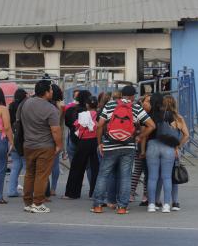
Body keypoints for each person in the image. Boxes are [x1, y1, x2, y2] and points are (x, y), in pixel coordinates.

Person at [92, 85, 155, 214]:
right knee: (126, 177)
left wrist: (99, 143)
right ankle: (122, 207)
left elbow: (99, 125)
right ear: (132, 96)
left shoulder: (110, 105)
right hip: (128, 146)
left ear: (121, 95)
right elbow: (151, 125)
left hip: (110, 145)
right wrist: (139, 137)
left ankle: (97, 205)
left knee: (103, 174)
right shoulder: (136, 107)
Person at [21, 78, 62, 213]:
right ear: (46, 92)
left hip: (28, 144)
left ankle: (27, 202)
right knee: (41, 175)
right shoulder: (51, 109)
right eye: (50, 89)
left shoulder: (26, 104)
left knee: (29, 173)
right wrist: (59, 145)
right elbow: (55, 130)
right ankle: (38, 203)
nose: (52, 91)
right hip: (45, 146)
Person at [146, 93, 188, 213]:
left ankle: (152, 204)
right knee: (167, 177)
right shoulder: (177, 118)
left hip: (153, 146)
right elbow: (187, 135)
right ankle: (167, 205)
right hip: (170, 148)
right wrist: (178, 145)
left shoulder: (153, 115)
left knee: (153, 177)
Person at [64, 96, 99, 199]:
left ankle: (72, 193)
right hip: (95, 141)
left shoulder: (83, 114)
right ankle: (95, 192)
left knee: (77, 167)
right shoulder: (99, 114)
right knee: (95, 168)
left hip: (84, 142)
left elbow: (76, 126)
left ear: (87, 105)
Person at [8, 89, 28, 197]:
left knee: (15, 166)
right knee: (27, 167)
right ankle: (28, 192)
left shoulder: (10, 106)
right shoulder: (25, 106)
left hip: (13, 138)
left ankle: (11, 190)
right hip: (23, 140)